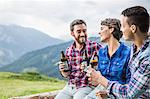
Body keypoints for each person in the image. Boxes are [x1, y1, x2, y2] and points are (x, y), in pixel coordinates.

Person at [87, 6, 150, 98]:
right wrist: (109, 93)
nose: (120, 29)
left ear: (133, 28)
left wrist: (99, 79)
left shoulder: (147, 58)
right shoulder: (135, 48)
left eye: (123, 26)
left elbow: (129, 94)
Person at [84, 18, 131, 99]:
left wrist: (109, 93)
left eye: (102, 29)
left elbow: (130, 83)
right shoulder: (101, 52)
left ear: (111, 29)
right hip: (100, 90)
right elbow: (100, 76)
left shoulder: (128, 53)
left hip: (119, 92)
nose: (99, 32)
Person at [55, 19, 101, 99]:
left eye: (84, 31)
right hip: (70, 86)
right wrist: (63, 71)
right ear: (72, 33)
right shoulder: (69, 51)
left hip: (86, 86)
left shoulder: (95, 47)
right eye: (79, 31)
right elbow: (67, 74)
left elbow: (106, 64)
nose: (82, 34)